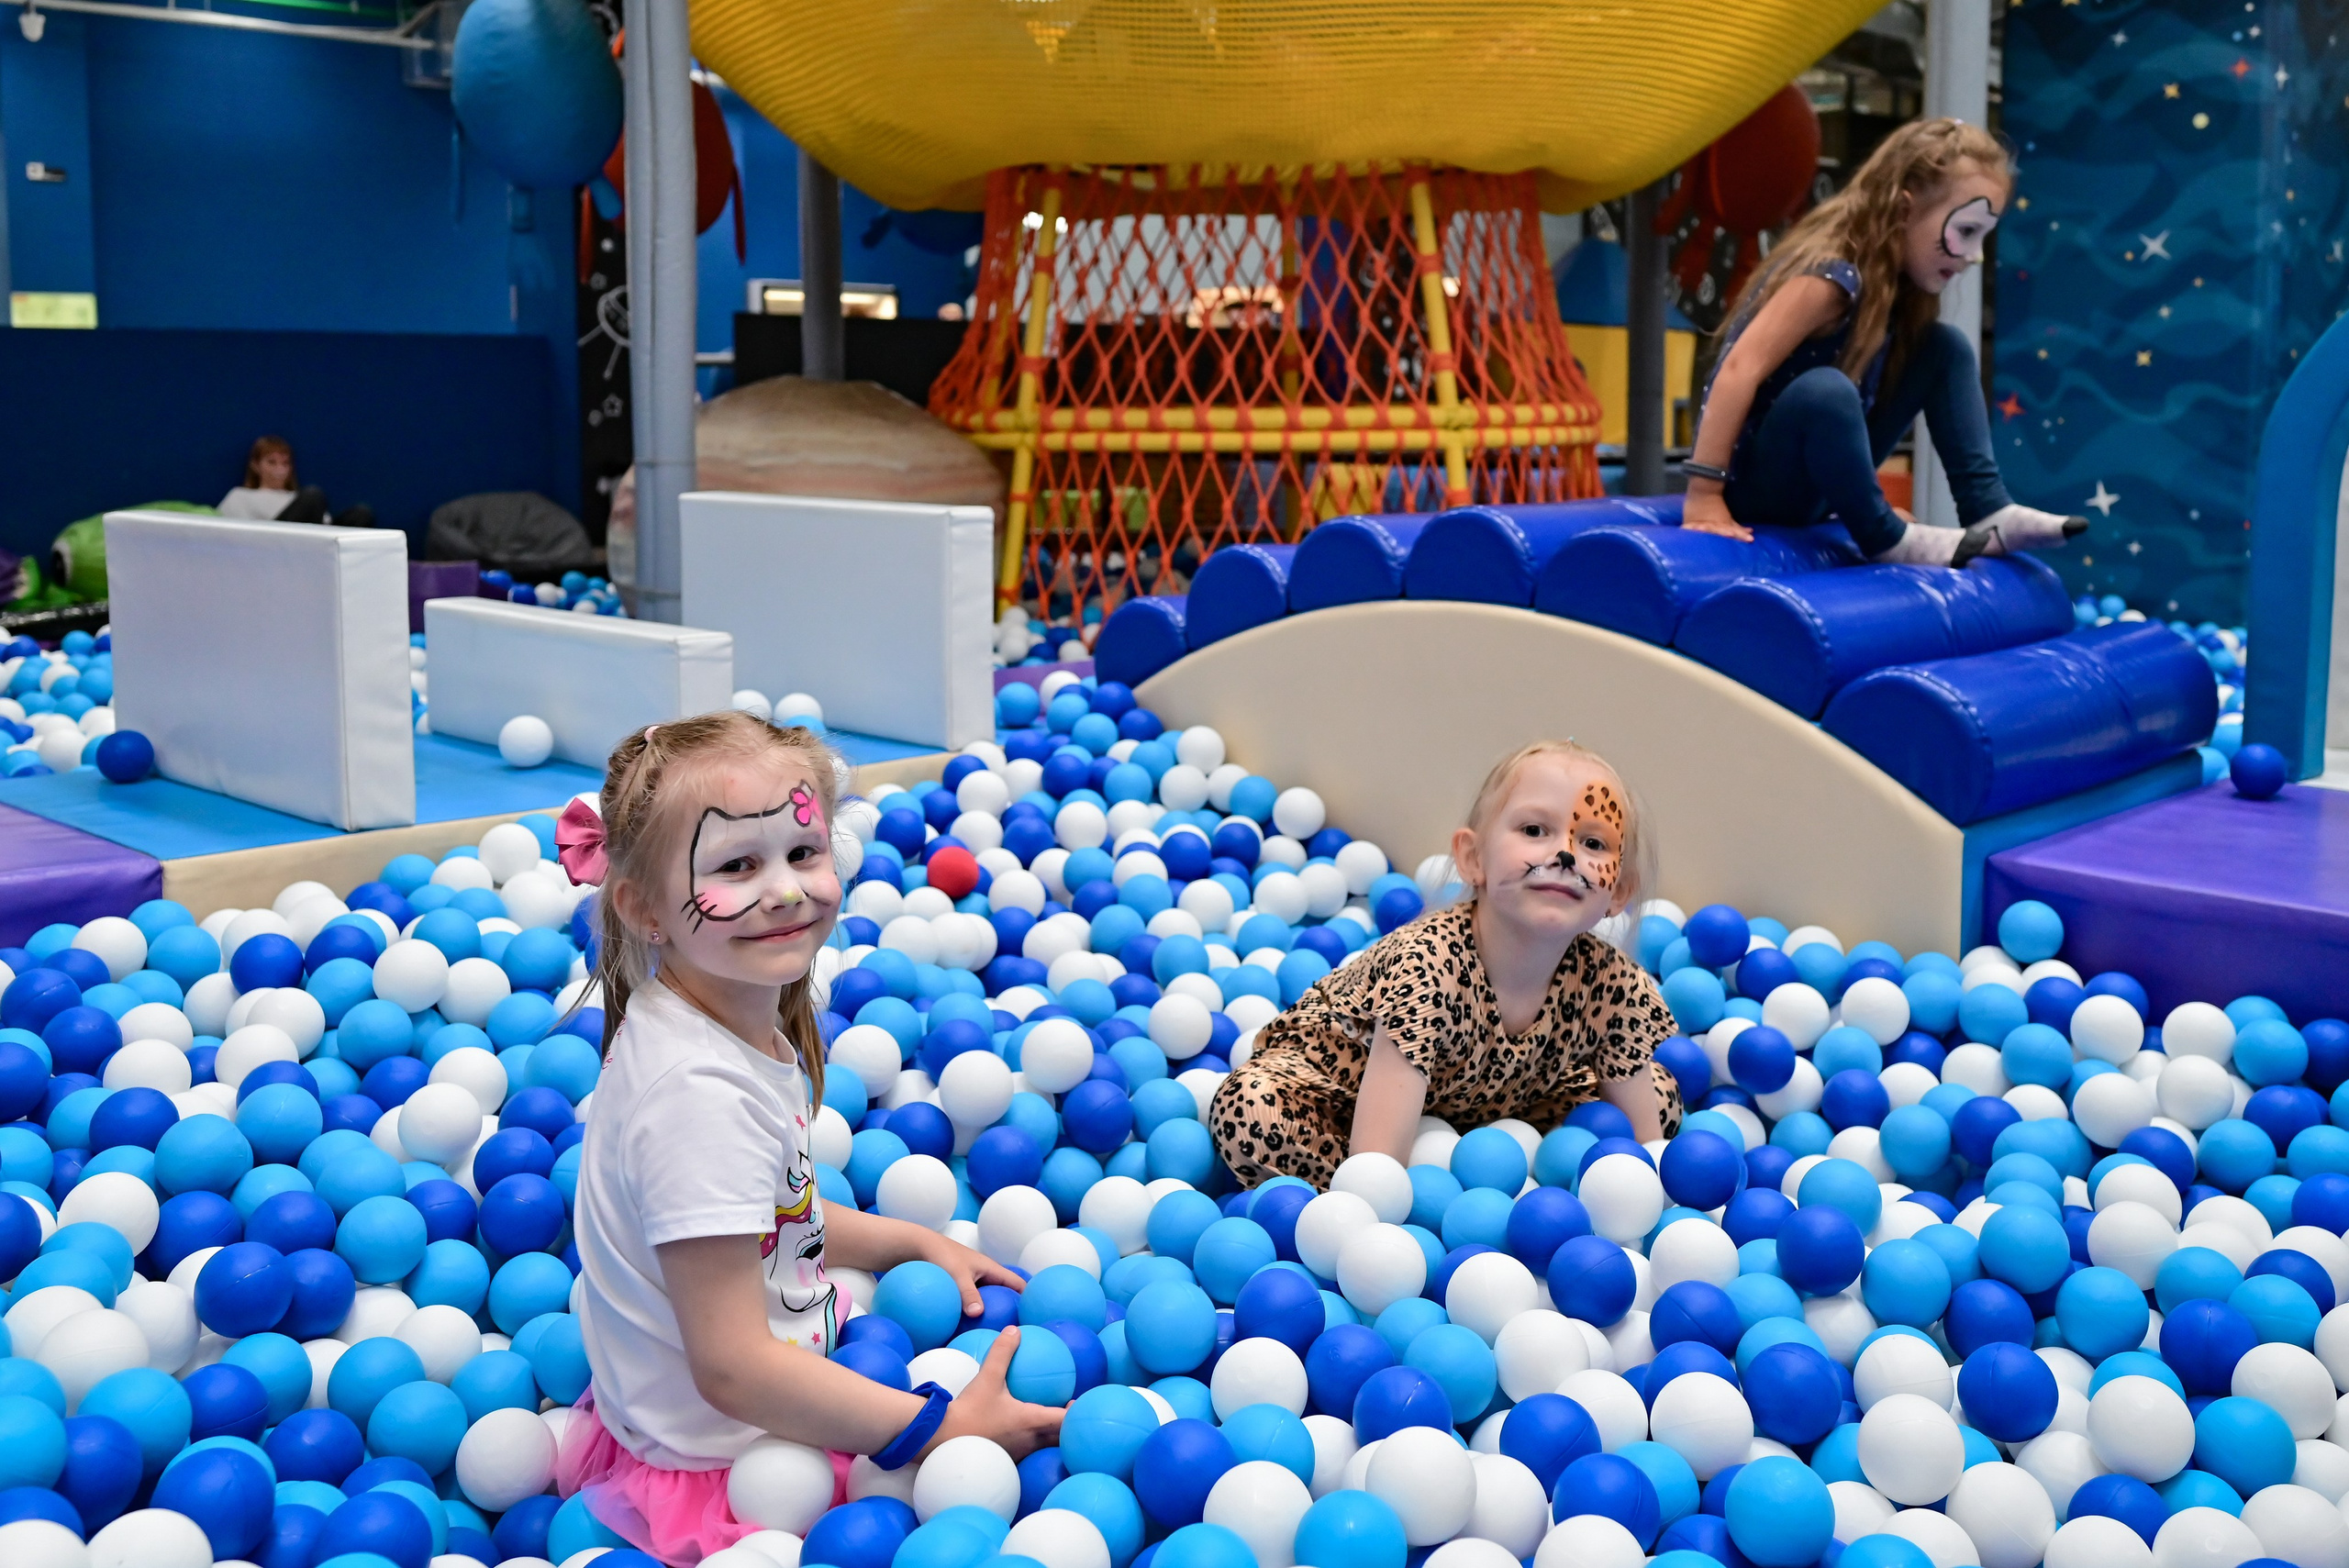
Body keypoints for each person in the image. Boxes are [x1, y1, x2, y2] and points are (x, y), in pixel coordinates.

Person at [553, 711, 1061, 1564]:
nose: (786, 889)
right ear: (643, 908)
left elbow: (768, 1211)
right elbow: (733, 1369)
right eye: (737, 865)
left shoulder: (718, 1018)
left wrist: (907, 1239)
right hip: (734, 1462)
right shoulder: (693, 1095)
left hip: (757, 1391)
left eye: (802, 852)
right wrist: (936, 1428)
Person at [1209, 740, 1682, 1189]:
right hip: (1339, 1094)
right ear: (1473, 858)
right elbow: (1377, 1159)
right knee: (1249, 1108)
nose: (1563, 855)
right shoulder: (1429, 966)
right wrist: (1391, 1206)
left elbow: (1646, 1144)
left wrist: (1643, 1195)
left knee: (1662, 1095)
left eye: (1594, 844)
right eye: (1535, 831)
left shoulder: (1613, 982)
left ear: (1619, 891)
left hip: (1485, 1106)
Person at [1681, 117, 2084, 568]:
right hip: (1758, 490)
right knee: (1826, 391)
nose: (1975, 256)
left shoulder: (1898, 287)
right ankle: (1881, 534)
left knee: (1943, 346)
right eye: (1966, 231)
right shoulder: (1831, 277)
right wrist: (1704, 493)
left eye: (1983, 237)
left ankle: (1986, 506)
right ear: (1903, 210)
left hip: (1812, 488)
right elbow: (1739, 367)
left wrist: (1851, 496)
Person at [217, 436, 373, 528]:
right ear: (256, 466)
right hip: (275, 548)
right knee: (313, 495)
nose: (280, 469)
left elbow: (325, 525)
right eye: (272, 462)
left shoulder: (299, 500)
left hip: (317, 544)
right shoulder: (241, 496)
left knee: (361, 513)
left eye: (285, 463)